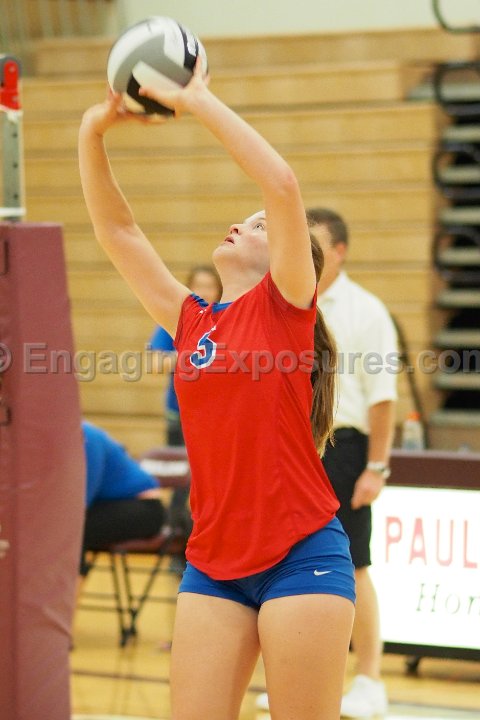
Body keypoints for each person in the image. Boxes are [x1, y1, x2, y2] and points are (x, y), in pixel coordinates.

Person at [79, 59, 355, 720]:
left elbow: (280, 183)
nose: (242, 224)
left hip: (302, 557)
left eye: (259, 225)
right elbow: (118, 232)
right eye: (244, 219)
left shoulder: (286, 307)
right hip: (213, 562)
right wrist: (92, 131)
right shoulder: (191, 321)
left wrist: (198, 99)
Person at [265, 207, 398, 718]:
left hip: (344, 449)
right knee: (286, 565)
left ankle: (369, 679)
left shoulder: (367, 311)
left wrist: (377, 467)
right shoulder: (284, 300)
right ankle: (295, 681)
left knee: (354, 562)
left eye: (315, 244)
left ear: (339, 252)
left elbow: (383, 397)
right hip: (290, 446)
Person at [150, 265, 221, 563]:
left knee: (213, 485)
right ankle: (180, 553)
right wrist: (197, 357)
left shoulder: (227, 318)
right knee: (183, 487)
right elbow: (156, 363)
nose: (204, 291)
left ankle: (212, 550)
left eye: (209, 285)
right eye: (198, 285)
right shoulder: (178, 319)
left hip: (218, 419)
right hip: (180, 416)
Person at [79, 421, 166, 579]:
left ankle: (68, 589)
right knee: (66, 530)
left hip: (145, 509)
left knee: (71, 531)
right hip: (110, 506)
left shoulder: (87, 438)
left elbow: (83, 499)